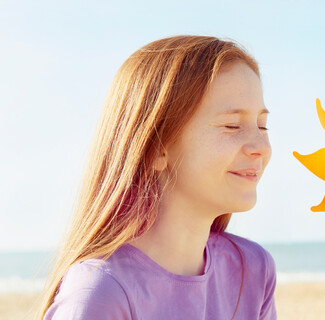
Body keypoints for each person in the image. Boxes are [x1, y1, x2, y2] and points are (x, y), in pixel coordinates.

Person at [36, 35, 276, 320]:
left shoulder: (254, 271)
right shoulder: (101, 294)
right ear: (155, 147)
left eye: (262, 126)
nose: (261, 147)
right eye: (232, 125)